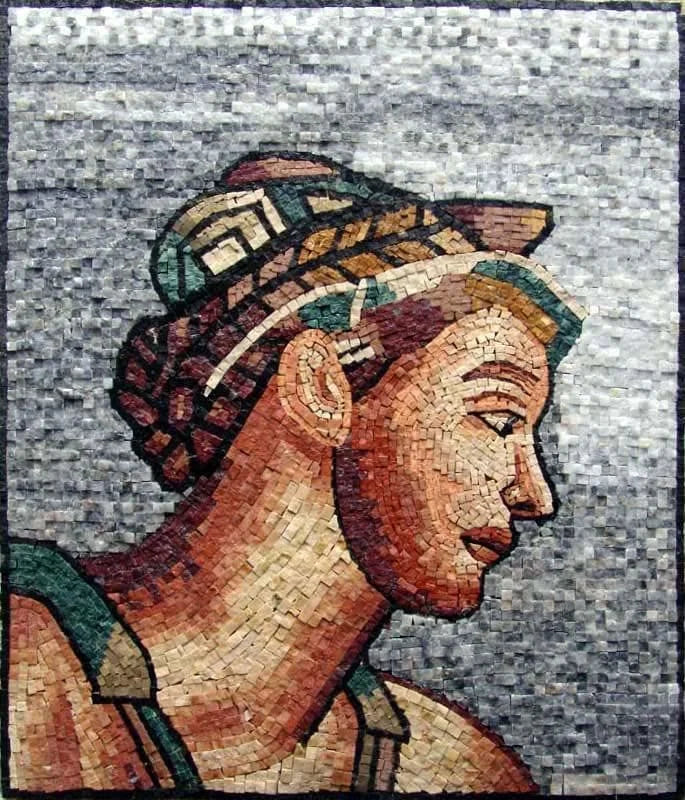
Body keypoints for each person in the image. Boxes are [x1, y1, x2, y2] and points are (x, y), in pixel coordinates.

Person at [6, 152, 584, 794]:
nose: (534, 494)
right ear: (322, 386)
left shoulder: (454, 773)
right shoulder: (24, 674)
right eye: (497, 419)